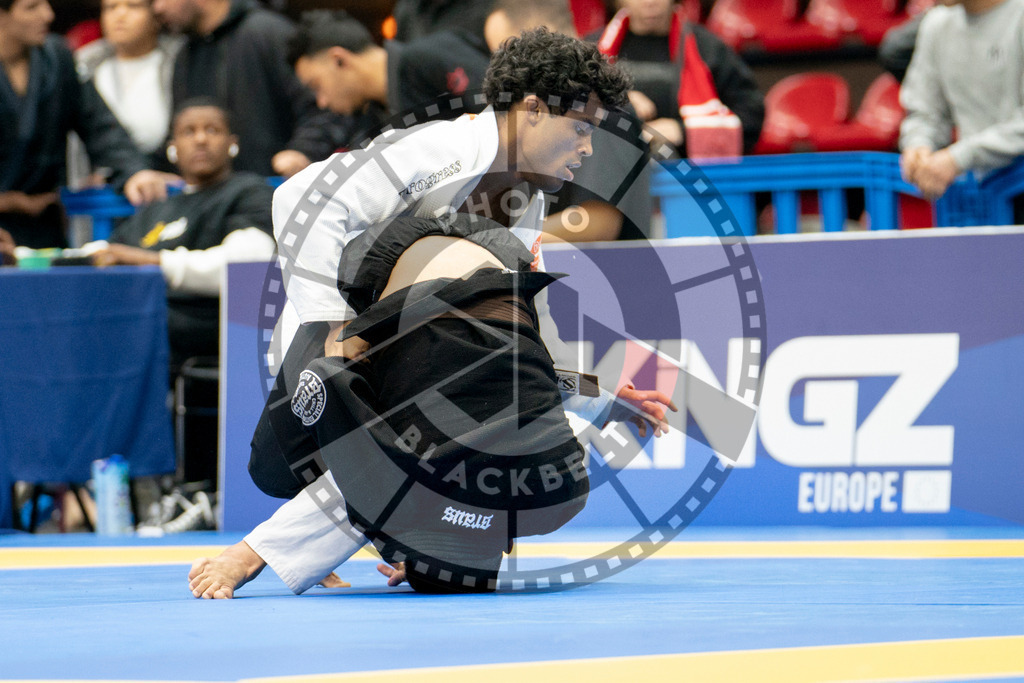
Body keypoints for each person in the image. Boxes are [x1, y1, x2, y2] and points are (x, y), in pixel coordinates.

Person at [187, 28, 674, 598]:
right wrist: (331, 325)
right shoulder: (442, 149)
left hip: (404, 360)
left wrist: (596, 393)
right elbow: (299, 197)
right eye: (582, 129)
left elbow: (526, 341)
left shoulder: (526, 204)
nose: (587, 149)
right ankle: (292, 543)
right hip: (335, 343)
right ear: (534, 110)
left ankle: (409, 536)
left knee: (486, 422)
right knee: (301, 460)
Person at [289, 3, 650, 242]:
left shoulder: (593, 110)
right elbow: (300, 197)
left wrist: (481, 244)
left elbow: (597, 222)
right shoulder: (459, 148)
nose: (507, 72)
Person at [90, 99, 276, 490]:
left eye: (212, 130)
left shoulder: (248, 192)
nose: (201, 140)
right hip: (145, 330)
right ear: (172, 147)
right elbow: (107, 255)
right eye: (189, 132)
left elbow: (243, 265)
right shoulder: (155, 211)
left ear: (233, 142)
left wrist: (151, 262)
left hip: (211, 329)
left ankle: (182, 488)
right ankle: (99, 484)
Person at [0, 0, 168, 248]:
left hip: (44, 222)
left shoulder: (57, 58)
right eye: (31, 7)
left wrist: (135, 171)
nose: (48, 14)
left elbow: (99, 125)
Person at [150, 0, 344, 177]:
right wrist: (149, 172)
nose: (157, 8)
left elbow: (325, 107)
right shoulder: (185, 55)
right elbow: (179, 127)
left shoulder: (267, 32)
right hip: (214, 197)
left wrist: (302, 151)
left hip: (275, 189)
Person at [593, 0, 764, 155]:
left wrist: (684, 131)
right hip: (609, 161)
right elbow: (577, 107)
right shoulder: (594, 48)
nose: (650, 2)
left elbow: (751, 114)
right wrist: (618, 99)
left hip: (685, 167)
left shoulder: (708, 48)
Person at [899, 0, 1024, 203]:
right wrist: (918, 145)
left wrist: (959, 158)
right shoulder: (936, 24)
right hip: (977, 194)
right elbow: (924, 112)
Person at [74, 0, 182, 168]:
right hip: (99, 176)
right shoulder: (84, 65)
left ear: (155, 14)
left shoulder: (179, 59)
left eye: (133, 6)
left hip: (166, 172)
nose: (120, 15)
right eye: (111, 7)